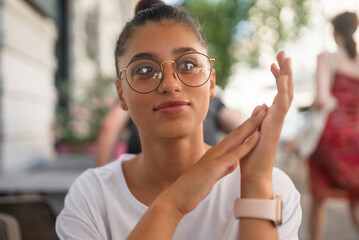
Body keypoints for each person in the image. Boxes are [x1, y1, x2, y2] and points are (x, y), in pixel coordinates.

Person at [56, 1, 301, 239]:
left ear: (212, 83)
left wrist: (256, 184)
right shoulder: (92, 197)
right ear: (121, 94)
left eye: (188, 64)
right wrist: (173, 203)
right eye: (144, 70)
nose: (170, 84)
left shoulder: (271, 185)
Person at [308, 11, 359, 240]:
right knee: (356, 201)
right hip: (356, 137)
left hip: (330, 136)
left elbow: (321, 99)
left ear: (334, 32)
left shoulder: (326, 57)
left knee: (319, 198)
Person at [96, 94, 243, 167]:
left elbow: (109, 127)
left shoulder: (138, 94)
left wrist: (104, 181)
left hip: (144, 177)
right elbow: (241, 127)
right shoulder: (211, 101)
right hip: (207, 175)